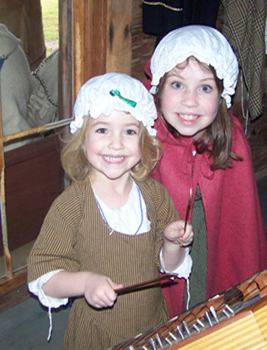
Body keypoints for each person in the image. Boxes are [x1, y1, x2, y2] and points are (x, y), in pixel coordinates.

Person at [27, 73, 193, 350]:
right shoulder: (71, 206)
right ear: (82, 138)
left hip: (151, 325)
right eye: (103, 130)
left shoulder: (155, 195)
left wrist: (172, 242)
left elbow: (170, 266)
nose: (116, 144)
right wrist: (85, 282)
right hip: (97, 335)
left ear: (145, 139)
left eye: (129, 131)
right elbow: (44, 276)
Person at [144, 25, 267, 317]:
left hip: (212, 249)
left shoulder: (232, 139)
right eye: (177, 85)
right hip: (165, 255)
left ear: (222, 92)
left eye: (205, 87)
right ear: (159, 87)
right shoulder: (147, 141)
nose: (190, 101)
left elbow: (242, 227)